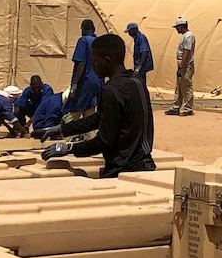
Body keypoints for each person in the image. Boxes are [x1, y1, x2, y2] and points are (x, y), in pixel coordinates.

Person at [63, 33, 156, 178]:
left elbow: (104, 141)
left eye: (95, 61)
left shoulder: (111, 90)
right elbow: (101, 118)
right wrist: (63, 129)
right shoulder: (137, 83)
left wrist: (69, 149)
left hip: (122, 171)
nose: (93, 67)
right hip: (144, 165)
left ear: (107, 61)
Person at [166, 18, 197, 117]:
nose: (176, 29)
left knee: (186, 86)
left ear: (182, 26)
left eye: (177, 27)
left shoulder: (188, 36)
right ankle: (176, 107)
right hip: (182, 65)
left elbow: (186, 52)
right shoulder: (184, 36)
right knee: (179, 86)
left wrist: (181, 65)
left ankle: (188, 108)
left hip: (186, 65)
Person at [70, 20, 99, 95]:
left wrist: (75, 84)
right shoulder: (98, 41)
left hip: (85, 81)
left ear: (83, 29)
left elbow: (81, 63)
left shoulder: (83, 41)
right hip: (98, 81)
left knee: (77, 106)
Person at [126, 22, 155, 96]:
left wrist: (139, 66)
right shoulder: (137, 39)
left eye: (130, 31)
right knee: (141, 82)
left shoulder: (141, 38)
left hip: (142, 66)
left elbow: (144, 52)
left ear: (135, 29)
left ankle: (142, 96)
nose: (129, 33)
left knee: (139, 82)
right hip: (139, 65)